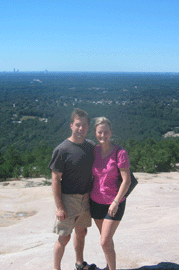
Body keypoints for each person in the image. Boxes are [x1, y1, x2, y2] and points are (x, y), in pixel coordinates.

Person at [48, 108, 97, 270]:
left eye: (84, 125)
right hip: (68, 199)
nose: (81, 128)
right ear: (71, 125)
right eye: (78, 125)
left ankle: (79, 263)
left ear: (88, 127)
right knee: (64, 237)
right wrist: (59, 207)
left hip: (86, 198)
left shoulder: (90, 147)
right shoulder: (62, 150)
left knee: (81, 232)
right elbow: (55, 179)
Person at [90, 117, 131, 270]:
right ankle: (109, 266)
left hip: (114, 203)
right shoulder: (94, 151)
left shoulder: (120, 153)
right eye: (100, 132)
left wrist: (115, 202)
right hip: (96, 201)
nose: (103, 135)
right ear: (95, 133)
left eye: (106, 132)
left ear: (111, 132)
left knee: (104, 241)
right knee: (106, 240)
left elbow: (126, 181)